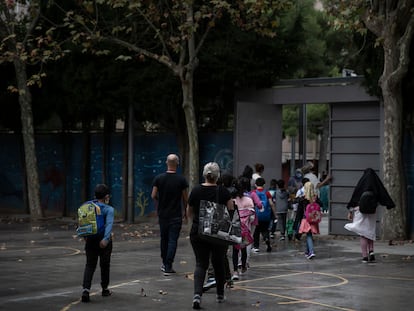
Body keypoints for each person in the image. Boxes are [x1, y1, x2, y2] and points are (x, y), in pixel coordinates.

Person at [187, 162, 234, 309]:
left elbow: (189, 212)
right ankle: (220, 295)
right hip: (218, 233)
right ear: (217, 176)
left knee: (201, 263)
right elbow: (231, 211)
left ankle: (197, 295)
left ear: (204, 174)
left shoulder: (195, 191)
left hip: (198, 232)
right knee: (218, 262)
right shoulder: (224, 192)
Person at [345, 168, 395, 263]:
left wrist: (350, 211)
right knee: (369, 232)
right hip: (372, 211)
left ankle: (364, 256)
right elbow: (383, 195)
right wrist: (388, 204)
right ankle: (371, 252)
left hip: (360, 211)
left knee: (363, 234)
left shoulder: (361, 184)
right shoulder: (376, 185)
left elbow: (354, 198)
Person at [151, 154, 189, 276]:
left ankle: (164, 262)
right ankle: (168, 265)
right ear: (177, 164)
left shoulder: (159, 178)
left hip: (163, 214)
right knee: (173, 240)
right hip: (176, 214)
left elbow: (153, 195)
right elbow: (185, 198)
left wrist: (160, 200)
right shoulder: (181, 180)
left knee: (164, 238)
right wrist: (186, 213)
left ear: (166, 163)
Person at [81, 184, 115, 303]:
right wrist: (105, 239)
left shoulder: (87, 205)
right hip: (103, 241)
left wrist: (85, 236)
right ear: (106, 196)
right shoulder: (108, 209)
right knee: (104, 265)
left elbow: (82, 222)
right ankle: (105, 289)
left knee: (90, 265)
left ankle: (85, 290)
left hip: (90, 239)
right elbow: (109, 225)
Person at [231, 176, 257, 280]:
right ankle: (243, 266)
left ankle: (235, 271)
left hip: (234, 227)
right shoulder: (249, 200)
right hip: (245, 228)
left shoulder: (232, 200)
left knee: (235, 250)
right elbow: (252, 217)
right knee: (244, 248)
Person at [251, 177, 276, 253]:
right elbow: (271, 204)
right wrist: (274, 214)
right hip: (266, 215)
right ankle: (266, 239)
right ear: (264, 184)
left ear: (255, 184)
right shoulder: (267, 193)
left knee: (256, 231)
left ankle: (256, 247)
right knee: (265, 230)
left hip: (256, 215)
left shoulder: (253, 192)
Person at [297, 180, 320, 259]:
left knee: (308, 235)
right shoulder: (315, 198)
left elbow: (300, 210)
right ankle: (308, 251)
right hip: (314, 219)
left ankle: (311, 251)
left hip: (306, 219)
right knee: (309, 234)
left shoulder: (303, 199)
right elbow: (321, 205)